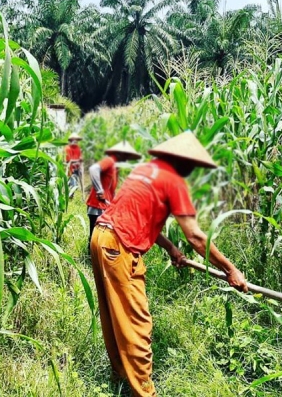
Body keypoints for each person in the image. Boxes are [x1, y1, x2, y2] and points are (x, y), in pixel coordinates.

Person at [90, 131, 248, 397]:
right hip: (119, 247)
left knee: (112, 313)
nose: (192, 170)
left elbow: (141, 215)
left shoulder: (145, 170)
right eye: (191, 164)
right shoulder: (173, 180)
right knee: (137, 323)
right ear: (182, 161)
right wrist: (230, 269)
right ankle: (145, 393)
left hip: (100, 237)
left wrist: (172, 248)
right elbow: (196, 237)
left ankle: (119, 375)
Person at [86, 141, 141, 244]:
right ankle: (91, 258)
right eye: (126, 156)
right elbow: (93, 169)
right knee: (95, 238)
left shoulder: (116, 167)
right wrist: (99, 190)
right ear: (120, 154)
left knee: (100, 237)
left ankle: (94, 257)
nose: (126, 159)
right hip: (97, 206)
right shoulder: (110, 160)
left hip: (104, 206)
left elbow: (111, 190)